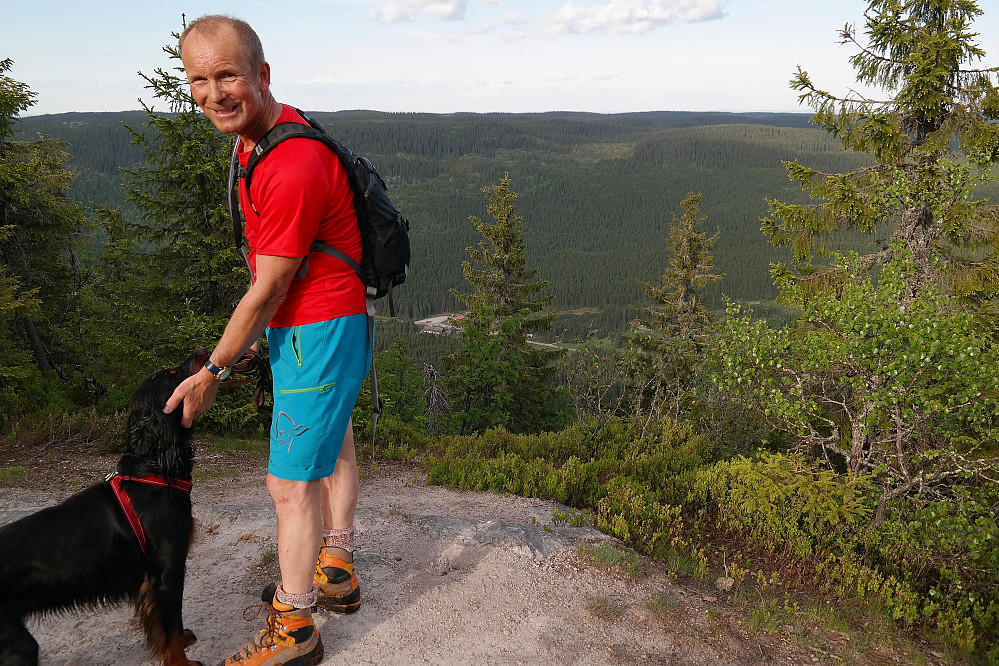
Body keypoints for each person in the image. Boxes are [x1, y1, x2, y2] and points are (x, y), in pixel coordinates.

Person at [165, 14, 369, 666]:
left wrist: (215, 372)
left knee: (288, 487)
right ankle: (334, 563)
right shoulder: (261, 138)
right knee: (333, 442)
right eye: (198, 80)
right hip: (328, 323)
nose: (213, 94)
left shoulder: (291, 163)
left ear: (262, 74)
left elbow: (268, 288)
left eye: (227, 75)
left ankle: (296, 627)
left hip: (315, 329)